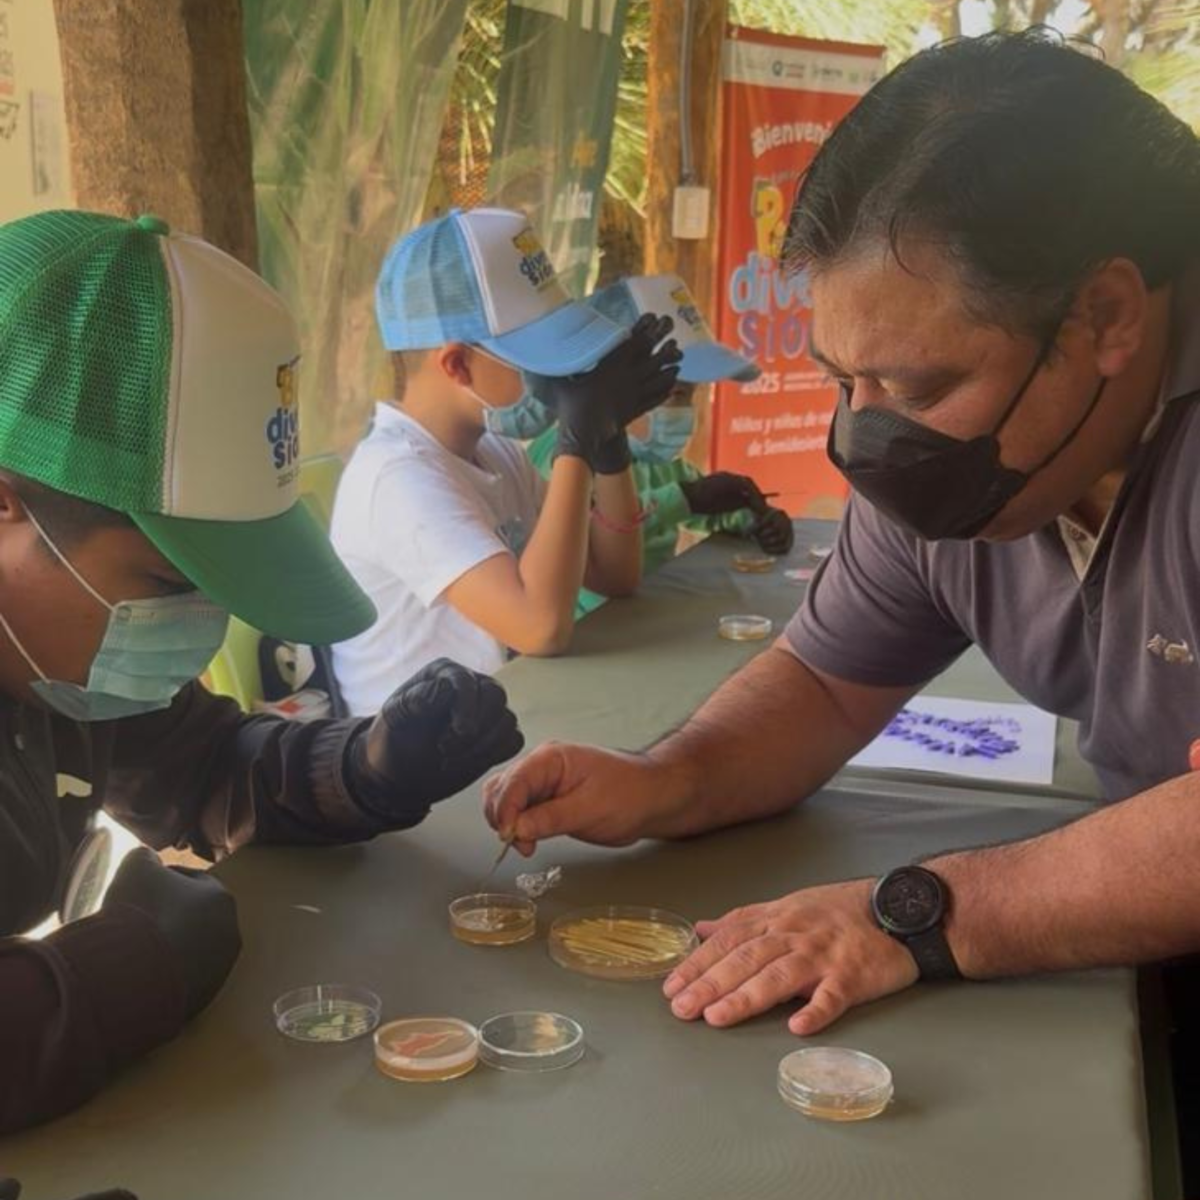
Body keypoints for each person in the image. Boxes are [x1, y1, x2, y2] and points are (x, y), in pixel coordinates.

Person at [483, 29, 1200, 1171]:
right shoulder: (968, 461)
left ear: (1107, 315)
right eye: (840, 380)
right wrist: (671, 778)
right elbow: (825, 681)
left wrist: (916, 912)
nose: (867, 438)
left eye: (917, 385)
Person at [0, 211, 523, 1133]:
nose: (198, 630)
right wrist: (134, 966)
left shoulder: (50, 657)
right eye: (170, 582)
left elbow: (199, 766)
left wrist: (364, 767)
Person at [330, 208, 680, 715]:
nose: (559, 373)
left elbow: (614, 574)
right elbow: (539, 628)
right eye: (534, 356)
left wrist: (608, 444)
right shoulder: (396, 478)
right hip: (427, 757)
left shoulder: (492, 451)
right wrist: (577, 440)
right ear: (457, 364)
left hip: (503, 719)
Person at [516, 274, 794, 616]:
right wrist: (684, 499)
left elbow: (708, 512)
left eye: (689, 395)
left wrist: (756, 519)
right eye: (671, 393)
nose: (682, 412)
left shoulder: (659, 462)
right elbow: (577, 541)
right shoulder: (560, 455)